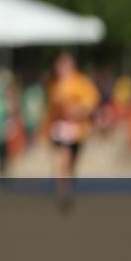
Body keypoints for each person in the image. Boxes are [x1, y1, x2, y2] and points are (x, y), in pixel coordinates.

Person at [43, 51, 100, 210]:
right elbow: (52, 106)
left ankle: (67, 185)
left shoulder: (81, 82)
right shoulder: (54, 84)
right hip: (59, 127)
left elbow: (90, 104)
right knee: (62, 158)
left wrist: (75, 111)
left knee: (71, 163)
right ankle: (62, 191)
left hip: (77, 129)